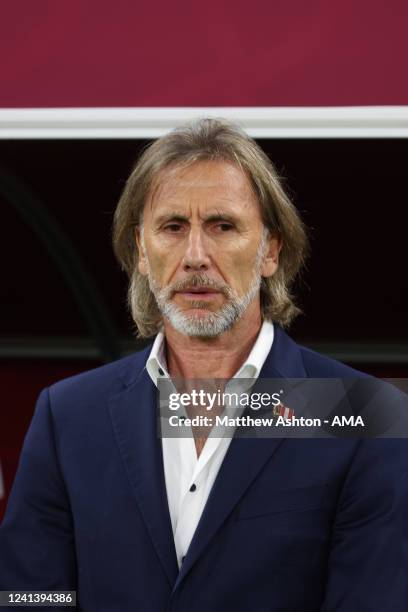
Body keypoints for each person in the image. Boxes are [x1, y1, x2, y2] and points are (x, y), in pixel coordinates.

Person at [0, 118, 407, 612]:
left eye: (222, 226)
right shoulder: (67, 415)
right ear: (142, 251)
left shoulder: (360, 413)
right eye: (173, 227)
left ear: (270, 250)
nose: (195, 256)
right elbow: (29, 596)